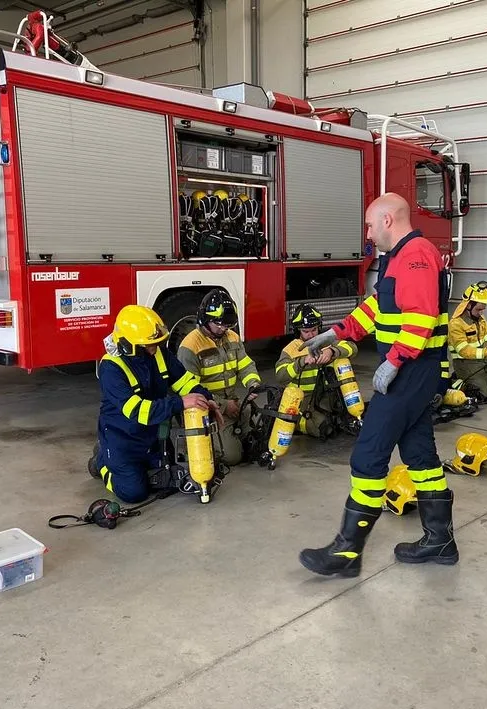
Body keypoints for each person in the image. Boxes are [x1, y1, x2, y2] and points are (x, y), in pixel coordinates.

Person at [297, 193, 457, 577]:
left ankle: (347, 552)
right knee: (419, 454)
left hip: (412, 369)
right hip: (415, 369)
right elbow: (377, 307)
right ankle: (441, 541)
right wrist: (336, 333)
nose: (367, 234)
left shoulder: (415, 254)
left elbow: (420, 316)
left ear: (388, 220)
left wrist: (395, 361)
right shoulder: (397, 258)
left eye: (369, 225)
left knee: (369, 453)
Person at [91, 305, 222, 504]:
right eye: (150, 345)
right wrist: (180, 403)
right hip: (122, 439)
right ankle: (102, 461)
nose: (156, 349)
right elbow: (137, 411)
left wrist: (206, 398)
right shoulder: (111, 368)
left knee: (169, 481)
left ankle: (130, 466)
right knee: (134, 493)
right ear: (129, 346)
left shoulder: (158, 353)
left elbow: (184, 381)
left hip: (152, 437)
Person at [177, 288, 261, 465]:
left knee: (258, 444)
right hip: (207, 410)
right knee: (232, 457)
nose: (224, 328)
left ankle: (229, 437)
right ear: (205, 320)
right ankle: (193, 444)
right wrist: (222, 406)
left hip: (235, 404)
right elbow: (190, 390)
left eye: (227, 325)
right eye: (219, 324)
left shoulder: (232, 337)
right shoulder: (190, 347)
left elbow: (245, 365)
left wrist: (253, 383)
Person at [275, 303, 360, 438]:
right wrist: (302, 362)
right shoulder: (290, 349)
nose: (311, 335)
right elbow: (280, 376)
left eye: (314, 330)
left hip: (326, 395)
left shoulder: (325, 342)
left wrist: (332, 351)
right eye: (306, 331)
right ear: (298, 331)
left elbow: (352, 347)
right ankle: (295, 422)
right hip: (304, 401)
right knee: (324, 428)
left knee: (346, 419)